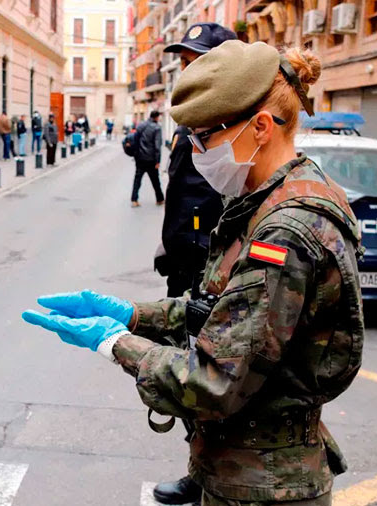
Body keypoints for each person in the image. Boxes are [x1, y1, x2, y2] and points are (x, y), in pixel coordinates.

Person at [22, 40, 364, 506]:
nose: (196, 150)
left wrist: (115, 342)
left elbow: (212, 381)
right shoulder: (271, 196)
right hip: (246, 471)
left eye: (204, 138)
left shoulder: (285, 230)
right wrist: (134, 315)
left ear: (260, 127)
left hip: (266, 486)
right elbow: (222, 312)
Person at [146, 23, 239, 505]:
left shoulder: (231, 124)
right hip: (185, 267)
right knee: (189, 369)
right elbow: (184, 196)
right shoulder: (193, 122)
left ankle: (210, 476)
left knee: (207, 377)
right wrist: (171, 246)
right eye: (184, 61)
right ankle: (200, 471)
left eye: (196, 59)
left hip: (210, 271)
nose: (187, 69)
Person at [132, 111, 165, 207]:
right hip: (151, 159)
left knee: (137, 180)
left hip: (140, 158)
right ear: (156, 117)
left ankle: (134, 200)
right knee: (155, 181)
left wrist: (136, 155)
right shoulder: (157, 128)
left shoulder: (141, 125)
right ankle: (160, 199)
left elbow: (135, 141)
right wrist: (158, 161)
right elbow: (157, 146)